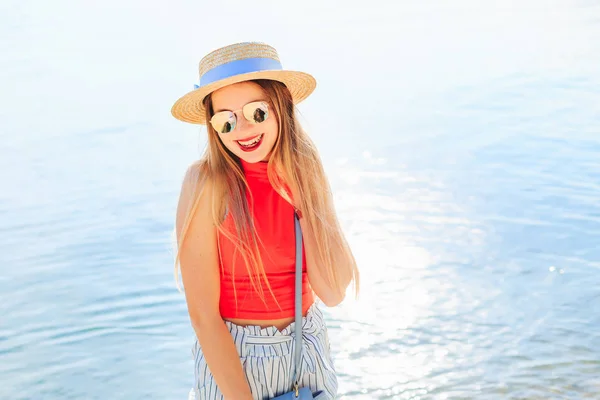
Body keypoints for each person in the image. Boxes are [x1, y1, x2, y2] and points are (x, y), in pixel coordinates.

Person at [171, 42, 360, 400]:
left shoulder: (305, 170)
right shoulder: (206, 183)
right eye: (225, 119)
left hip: (308, 347)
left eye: (256, 112)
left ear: (281, 107)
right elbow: (203, 317)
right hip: (238, 359)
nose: (241, 129)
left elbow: (333, 293)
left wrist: (303, 200)